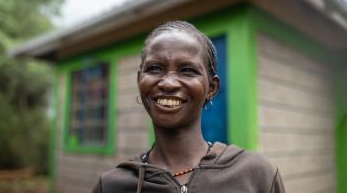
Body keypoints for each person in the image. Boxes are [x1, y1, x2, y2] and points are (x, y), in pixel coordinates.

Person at [92, 21, 285, 193]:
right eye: (155, 68)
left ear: (212, 88)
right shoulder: (111, 185)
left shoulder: (258, 176)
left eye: (187, 70)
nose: (168, 83)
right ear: (139, 80)